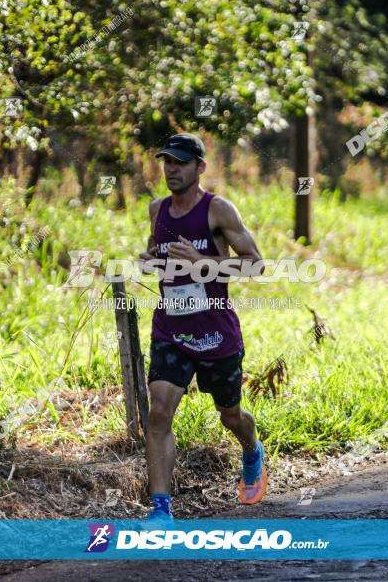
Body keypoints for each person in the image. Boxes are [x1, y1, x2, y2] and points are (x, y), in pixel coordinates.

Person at [138, 133, 267, 526]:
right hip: (171, 329)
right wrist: (149, 259)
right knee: (158, 413)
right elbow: (156, 250)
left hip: (215, 333)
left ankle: (251, 450)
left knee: (230, 416)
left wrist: (203, 261)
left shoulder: (219, 211)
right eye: (167, 161)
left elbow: (255, 265)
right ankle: (161, 510)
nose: (172, 169)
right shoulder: (157, 210)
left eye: (180, 162)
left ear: (200, 168)